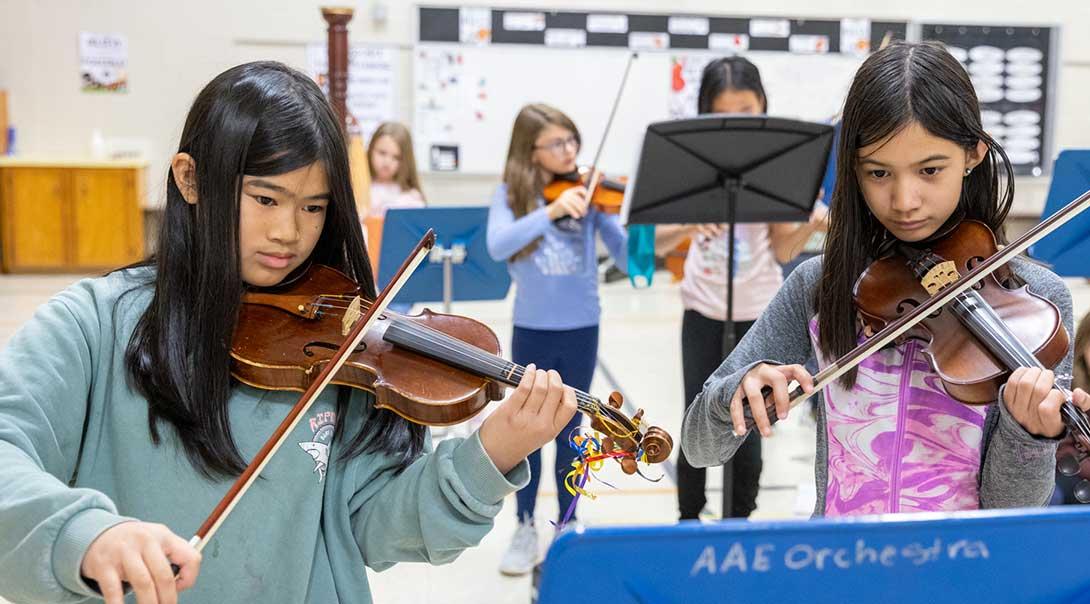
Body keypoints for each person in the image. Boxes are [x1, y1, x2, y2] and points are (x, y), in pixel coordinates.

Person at [0, 61, 577, 604]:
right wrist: (86, 535)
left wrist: (491, 452)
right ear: (191, 180)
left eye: (313, 207)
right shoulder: (93, 323)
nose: (288, 232)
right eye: (265, 198)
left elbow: (376, 529)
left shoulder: (345, 344)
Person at [681, 41, 1090, 517]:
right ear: (853, 169)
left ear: (974, 154)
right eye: (878, 172)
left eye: (930, 170)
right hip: (841, 566)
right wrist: (735, 392)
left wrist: (1029, 433)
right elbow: (698, 447)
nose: (904, 200)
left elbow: (1015, 506)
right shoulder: (822, 287)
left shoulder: (1035, 303)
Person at [653, 56, 827, 520]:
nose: (741, 124)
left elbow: (782, 249)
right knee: (698, 412)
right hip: (702, 310)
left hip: (758, 313)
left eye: (750, 111)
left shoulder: (774, 168)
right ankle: (688, 516)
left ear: (763, 107)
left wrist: (810, 225)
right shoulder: (694, 165)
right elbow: (654, 242)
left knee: (748, 421)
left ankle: (739, 521)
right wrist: (690, 223)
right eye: (727, 112)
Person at [486, 103, 627, 575]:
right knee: (527, 430)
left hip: (581, 328)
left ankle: (566, 525)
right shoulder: (512, 194)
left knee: (573, 432)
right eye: (558, 143)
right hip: (532, 328)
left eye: (572, 141)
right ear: (532, 150)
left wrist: (622, 216)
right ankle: (524, 525)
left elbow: (626, 258)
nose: (569, 152)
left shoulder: (589, 196)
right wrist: (550, 210)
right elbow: (497, 244)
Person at [365, 121, 425, 219]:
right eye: (382, 153)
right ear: (370, 149)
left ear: (405, 161)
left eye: (396, 157)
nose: (387, 162)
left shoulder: (412, 197)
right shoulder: (358, 188)